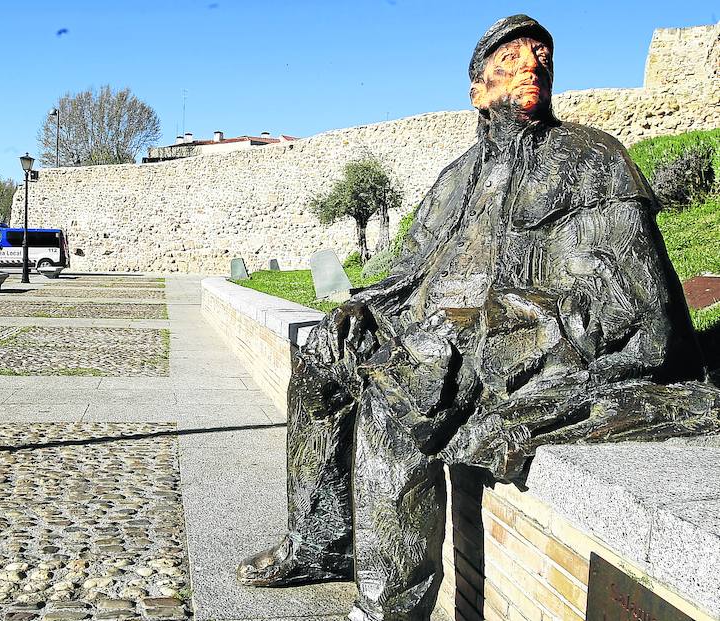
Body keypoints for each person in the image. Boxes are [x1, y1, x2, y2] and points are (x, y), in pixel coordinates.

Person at [236, 14, 720, 621]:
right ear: (476, 88)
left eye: (541, 60)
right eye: (511, 62)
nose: (532, 71)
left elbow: (634, 306)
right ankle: (321, 541)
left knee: (398, 403)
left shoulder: (592, 160)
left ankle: (389, 606)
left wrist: (502, 326)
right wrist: (362, 305)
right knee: (319, 357)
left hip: (517, 343)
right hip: (431, 330)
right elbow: (407, 272)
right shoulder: (457, 176)